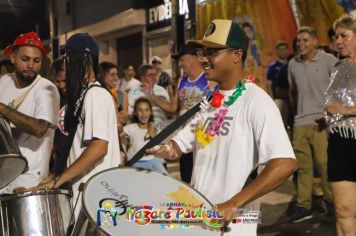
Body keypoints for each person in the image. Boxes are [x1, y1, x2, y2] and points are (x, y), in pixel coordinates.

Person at [148, 19, 296, 236]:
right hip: (200, 219)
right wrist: (164, 149)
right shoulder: (209, 101)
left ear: (236, 55)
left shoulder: (257, 101)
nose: (204, 59)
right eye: (203, 52)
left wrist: (233, 204)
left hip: (233, 226)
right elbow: (178, 146)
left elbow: (285, 163)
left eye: (212, 52)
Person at [32, 33, 120, 220]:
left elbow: (99, 147)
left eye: (68, 58)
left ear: (77, 59)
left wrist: (60, 178)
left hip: (94, 198)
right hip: (87, 194)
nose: (67, 63)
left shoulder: (94, 95)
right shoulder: (87, 94)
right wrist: (57, 174)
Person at [288, 26, 337, 222]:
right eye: (299, 40)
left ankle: (332, 201)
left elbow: (338, 89)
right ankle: (303, 205)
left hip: (321, 121)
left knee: (325, 165)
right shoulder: (293, 64)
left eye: (305, 40)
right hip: (300, 121)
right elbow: (293, 92)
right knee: (302, 167)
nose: (301, 44)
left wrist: (331, 116)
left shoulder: (329, 61)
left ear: (315, 42)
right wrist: (295, 115)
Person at [0, 32, 60, 193]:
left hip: (30, 177)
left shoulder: (47, 89)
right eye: (25, 59)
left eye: (36, 60)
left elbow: (40, 129)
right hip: (4, 171)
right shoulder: (4, 82)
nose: (31, 65)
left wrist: (3, 109)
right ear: (13, 58)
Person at [150, 43, 210, 183]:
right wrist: (151, 96)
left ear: (195, 58)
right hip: (185, 140)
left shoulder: (209, 78)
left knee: (203, 181)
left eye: (182, 59)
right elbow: (173, 108)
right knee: (187, 181)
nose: (180, 63)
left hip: (204, 140)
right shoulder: (181, 81)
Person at [324, 15, 356, 236]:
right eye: (336, 37)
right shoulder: (336, 66)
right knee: (342, 209)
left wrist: (346, 111)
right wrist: (326, 118)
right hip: (339, 142)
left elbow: (344, 106)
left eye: (344, 36)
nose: (338, 41)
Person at [123, 97, 167, 173]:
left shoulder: (156, 129)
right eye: (140, 110)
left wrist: (154, 137)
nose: (143, 114)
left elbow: (163, 149)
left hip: (152, 163)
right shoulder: (129, 128)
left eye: (146, 110)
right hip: (134, 164)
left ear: (151, 112)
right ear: (135, 113)